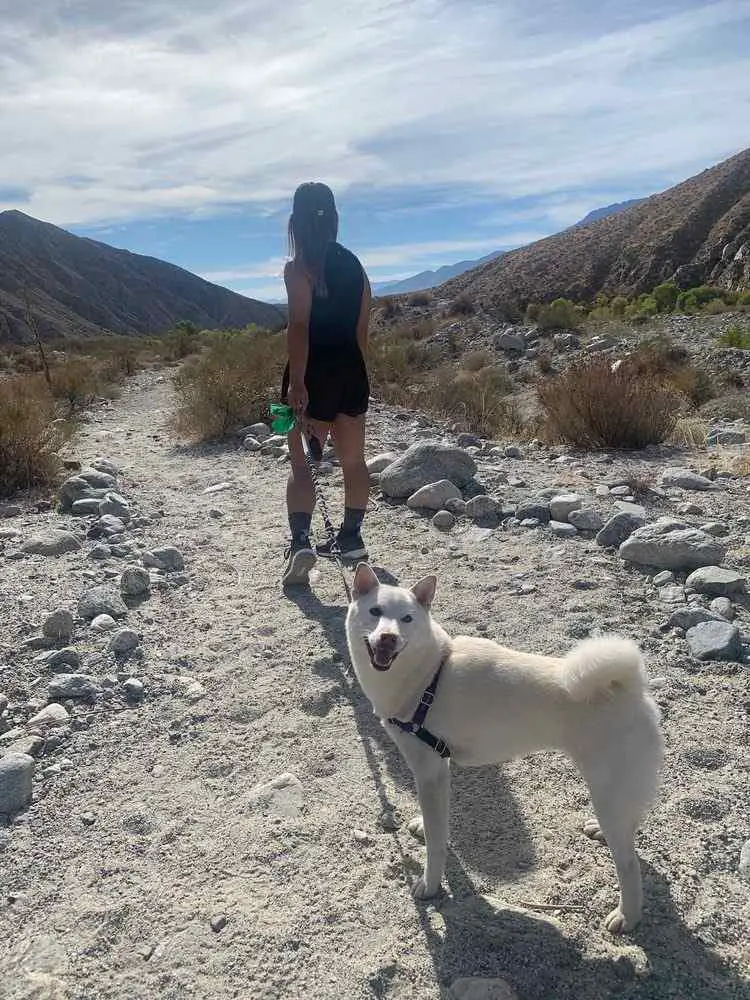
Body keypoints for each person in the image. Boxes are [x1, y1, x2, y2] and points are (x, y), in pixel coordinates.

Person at [280, 182, 372, 587]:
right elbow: (362, 329)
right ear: (334, 219)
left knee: (302, 465)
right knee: (354, 461)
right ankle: (351, 538)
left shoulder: (297, 266)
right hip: (351, 371)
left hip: (307, 373)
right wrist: (356, 374)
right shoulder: (355, 266)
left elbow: (298, 326)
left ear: (295, 222)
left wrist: (297, 382)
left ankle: (300, 541)